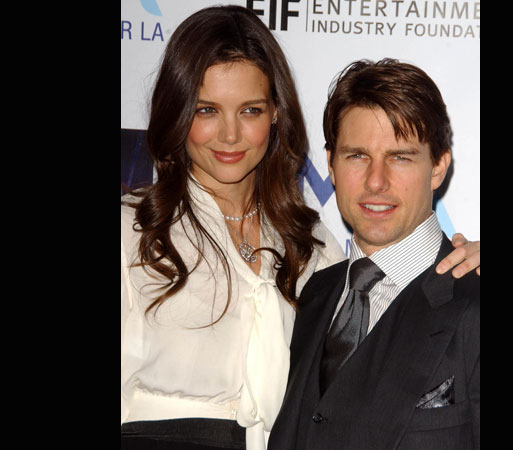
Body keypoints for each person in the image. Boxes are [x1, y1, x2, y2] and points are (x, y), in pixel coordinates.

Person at [121, 5, 481, 450]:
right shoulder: (131, 233)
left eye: (250, 110)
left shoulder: (313, 251)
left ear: (275, 113)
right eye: (207, 109)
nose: (229, 135)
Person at [268, 59, 480, 450]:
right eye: (357, 156)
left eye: (400, 157)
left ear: (438, 167)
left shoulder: (474, 302)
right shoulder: (315, 292)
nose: (376, 181)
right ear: (331, 165)